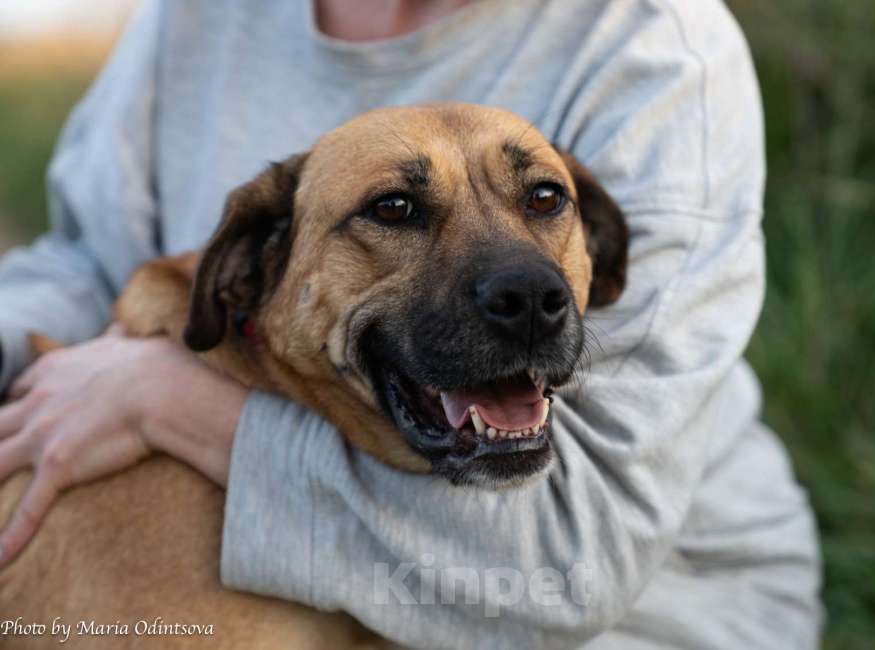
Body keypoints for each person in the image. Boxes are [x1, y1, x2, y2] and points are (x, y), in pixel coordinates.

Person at [0, 0, 822, 647]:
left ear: (600, 253)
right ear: (246, 270)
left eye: (541, 201)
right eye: (395, 210)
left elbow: (571, 571)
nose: (525, 286)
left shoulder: (659, 46)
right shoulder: (200, 13)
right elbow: (85, 256)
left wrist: (167, 398)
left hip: (656, 599)